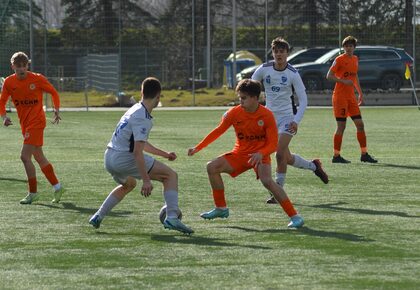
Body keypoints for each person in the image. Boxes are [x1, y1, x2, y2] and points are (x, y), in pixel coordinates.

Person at [188, 79, 304, 228]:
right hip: (240, 155)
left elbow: (273, 144)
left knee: (267, 181)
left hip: (260, 155)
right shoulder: (234, 113)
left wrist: (261, 154)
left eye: (244, 98)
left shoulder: (267, 115)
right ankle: (221, 208)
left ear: (255, 98)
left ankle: (295, 216)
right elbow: (218, 130)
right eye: (239, 98)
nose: (240, 101)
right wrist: (198, 147)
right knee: (211, 167)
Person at [89, 77, 193, 234]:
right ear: (158, 96)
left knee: (129, 184)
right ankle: (172, 216)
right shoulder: (142, 117)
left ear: (141, 92)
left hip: (109, 157)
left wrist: (164, 154)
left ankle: (98, 216)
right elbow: (137, 152)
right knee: (170, 176)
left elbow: (140, 143)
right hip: (124, 158)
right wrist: (146, 180)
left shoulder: (134, 109)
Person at [252, 37, 328, 204]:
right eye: (276, 51)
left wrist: (296, 120)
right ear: (272, 53)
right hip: (269, 120)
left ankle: (277, 192)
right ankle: (314, 166)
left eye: (282, 51)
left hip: (287, 118)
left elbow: (303, 99)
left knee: (279, 153)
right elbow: (250, 87)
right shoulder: (264, 69)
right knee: (287, 157)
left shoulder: (293, 73)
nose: (279, 54)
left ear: (287, 53)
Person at [0, 52, 65, 204]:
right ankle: (58, 187)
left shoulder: (37, 78)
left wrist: (56, 109)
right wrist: (4, 117)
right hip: (25, 124)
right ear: (13, 67)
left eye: (24, 66)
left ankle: (33, 192)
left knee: (24, 156)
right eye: (18, 67)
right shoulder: (9, 82)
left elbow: (54, 93)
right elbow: (2, 101)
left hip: (37, 122)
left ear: (27, 65)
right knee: (39, 157)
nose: (22, 69)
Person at [326, 36, 377, 164]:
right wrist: (342, 81)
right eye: (346, 46)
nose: (348, 48)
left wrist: (360, 93)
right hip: (340, 97)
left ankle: (364, 154)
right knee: (341, 127)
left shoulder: (355, 59)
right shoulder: (339, 60)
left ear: (354, 47)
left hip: (351, 98)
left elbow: (355, 77)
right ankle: (336, 156)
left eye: (351, 46)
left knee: (360, 124)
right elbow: (329, 76)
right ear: (343, 47)